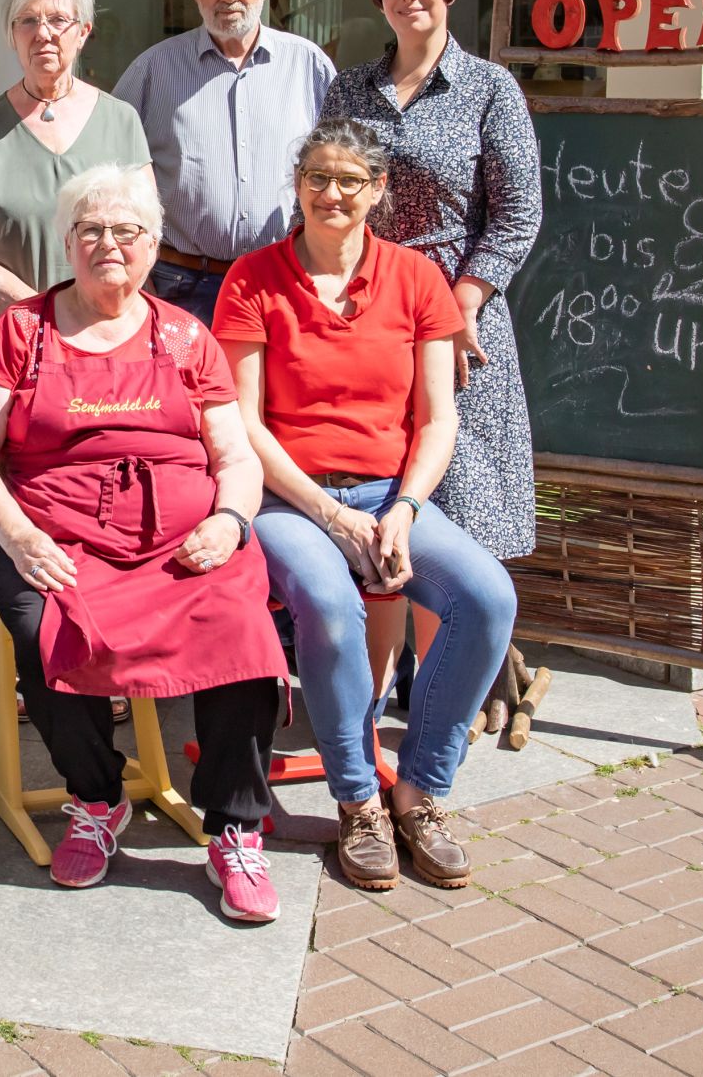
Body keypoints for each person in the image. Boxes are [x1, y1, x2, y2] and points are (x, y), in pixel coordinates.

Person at [0, 164, 285, 922]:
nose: (110, 244)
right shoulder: (23, 330)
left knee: (242, 625)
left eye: (127, 230)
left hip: (185, 542)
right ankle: (97, 797)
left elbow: (236, 457)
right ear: (68, 242)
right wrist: (17, 533)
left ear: (153, 244)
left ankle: (235, 826)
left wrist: (229, 522)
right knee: (44, 628)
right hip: (55, 539)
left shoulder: (184, 334)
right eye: (92, 230)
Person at [213, 118, 516, 893]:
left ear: (379, 190)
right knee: (326, 599)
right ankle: (357, 800)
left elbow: (437, 418)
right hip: (290, 495)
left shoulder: (415, 279)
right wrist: (329, 512)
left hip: (390, 493)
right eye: (317, 176)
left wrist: (407, 508)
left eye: (350, 179)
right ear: (298, 185)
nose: (332, 193)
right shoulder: (253, 278)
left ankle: (418, 793)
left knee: (486, 598)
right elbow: (244, 421)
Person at [321, 0, 540, 569]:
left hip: (459, 309)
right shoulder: (349, 89)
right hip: (367, 308)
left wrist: (463, 304)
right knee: (377, 479)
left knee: (465, 498)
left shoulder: (489, 88)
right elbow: (327, 197)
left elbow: (518, 215)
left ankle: (469, 657)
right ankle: (388, 665)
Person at [112, 0, 335, 325]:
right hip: (180, 286)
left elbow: (340, 169)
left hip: (285, 281)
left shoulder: (309, 66)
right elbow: (112, 177)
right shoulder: (152, 70)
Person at [0, 0, 149, 359]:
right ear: (12, 35)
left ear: (83, 32)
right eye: (27, 21)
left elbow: (145, 238)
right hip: (4, 337)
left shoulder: (122, 121)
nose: (43, 33)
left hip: (103, 336)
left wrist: (88, 318)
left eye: (58, 20)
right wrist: (40, 317)